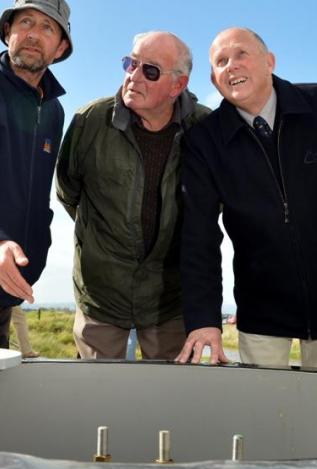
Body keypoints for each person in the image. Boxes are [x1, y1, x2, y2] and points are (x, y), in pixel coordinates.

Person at [176, 27, 317, 368]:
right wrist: (203, 319)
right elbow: (199, 236)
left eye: (241, 54)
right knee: (261, 416)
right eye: (221, 62)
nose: (231, 66)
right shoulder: (203, 143)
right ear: (214, 81)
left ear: (270, 61)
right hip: (262, 310)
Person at [56, 31, 210, 359]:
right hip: (101, 296)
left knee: (170, 400)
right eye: (131, 63)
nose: (133, 76)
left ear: (178, 86)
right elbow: (68, 192)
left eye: (150, 70)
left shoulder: (207, 128)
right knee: (98, 401)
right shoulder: (89, 121)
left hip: (170, 301)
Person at [0, 0, 72, 349]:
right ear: (8, 31)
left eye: (47, 27)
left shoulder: (54, 111)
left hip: (9, 285)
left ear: (60, 47)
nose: (33, 33)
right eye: (25, 21)